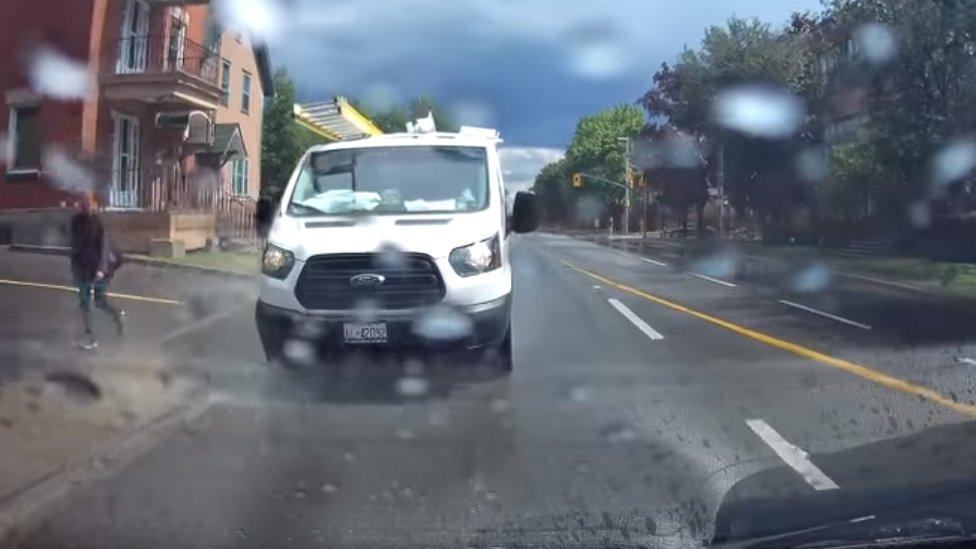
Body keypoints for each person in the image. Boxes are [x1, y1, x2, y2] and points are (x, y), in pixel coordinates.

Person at [70, 192, 124, 350]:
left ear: (93, 204)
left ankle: (116, 316)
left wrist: (101, 269)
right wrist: (74, 268)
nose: (85, 206)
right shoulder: (76, 221)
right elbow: (75, 247)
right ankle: (90, 337)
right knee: (84, 302)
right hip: (83, 268)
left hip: (100, 268)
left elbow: (104, 248)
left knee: (100, 300)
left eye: (88, 203)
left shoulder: (98, 222)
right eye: (82, 203)